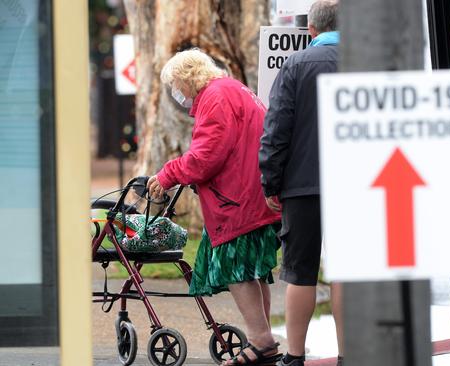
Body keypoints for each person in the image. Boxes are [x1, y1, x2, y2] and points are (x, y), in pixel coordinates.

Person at [147, 49, 282, 365]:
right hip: (253, 192)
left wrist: (167, 174)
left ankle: (261, 341)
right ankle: (262, 338)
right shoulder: (232, 89)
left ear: (186, 78)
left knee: (236, 269)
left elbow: (206, 157)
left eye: (175, 85)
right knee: (252, 270)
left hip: (237, 199)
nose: (176, 93)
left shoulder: (215, 98)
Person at [258, 2, 343, 366]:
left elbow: (276, 130)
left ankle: (294, 357)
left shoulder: (295, 65)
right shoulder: (365, 62)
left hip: (302, 186)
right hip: (353, 187)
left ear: (310, 31)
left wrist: (270, 182)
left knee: (299, 271)